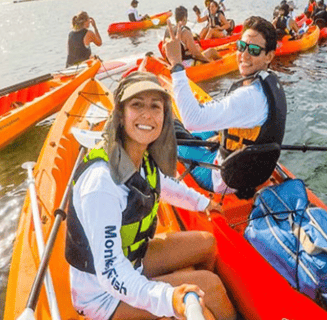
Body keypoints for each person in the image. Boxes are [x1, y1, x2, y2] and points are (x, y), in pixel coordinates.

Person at [65, 71, 237, 320]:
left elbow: (164, 184)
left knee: (208, 244)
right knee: (209, 288)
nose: (147, 114)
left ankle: (187, 283)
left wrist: (203, 203)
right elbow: (112, 272)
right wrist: (168, 298)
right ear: (121, 115)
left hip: (133, 259)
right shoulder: (101, 184)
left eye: (155, 107)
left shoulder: (141, 158)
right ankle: (198, 298)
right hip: (103, 295)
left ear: (164, 116)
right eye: (137, 105)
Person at [163, 16, 287, 195]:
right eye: (241, 46)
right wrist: (220, 137)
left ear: (269, 56)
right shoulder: (268, 82)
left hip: (224, 178)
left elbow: (192, 119)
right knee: (190, 132)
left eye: (253, 50)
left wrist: (176, 64)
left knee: (169, 137)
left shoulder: (249, 97)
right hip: (250, 169)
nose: (244, 55)